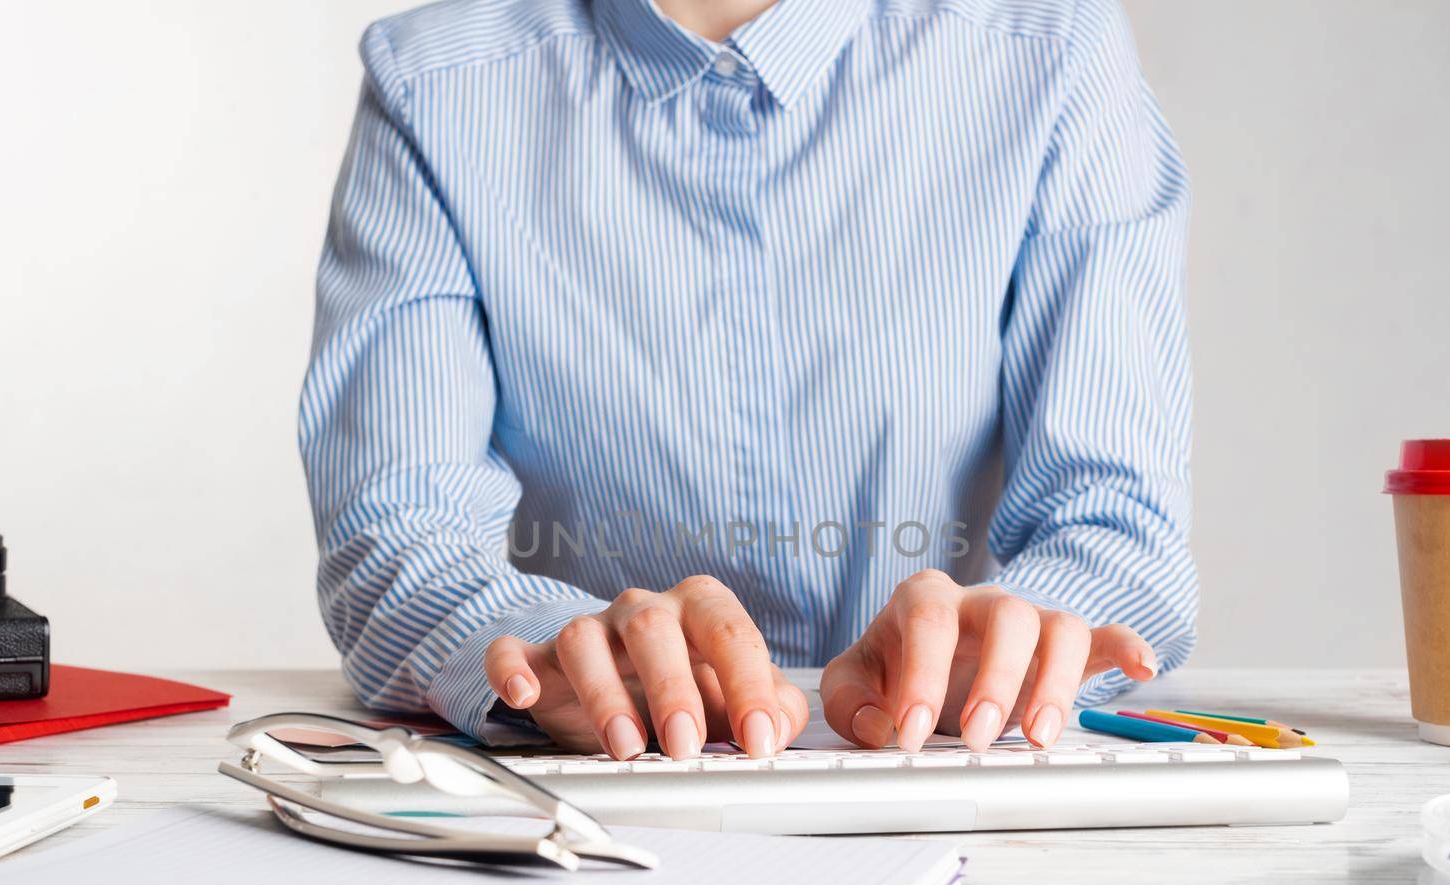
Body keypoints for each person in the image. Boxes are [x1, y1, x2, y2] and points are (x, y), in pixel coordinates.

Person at [300, 0, 1197, 762]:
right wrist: (556, 653)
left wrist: (1010, 645)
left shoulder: (1048, 45)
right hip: (607, 780)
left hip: (935, 768)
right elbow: (394, 533)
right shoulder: (438, 81)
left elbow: (1117, 526)